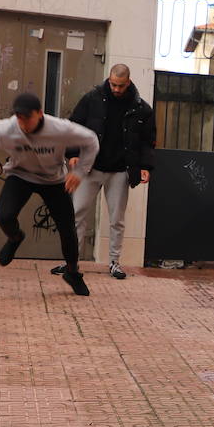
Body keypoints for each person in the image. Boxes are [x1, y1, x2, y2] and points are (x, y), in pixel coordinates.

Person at [0, 92, 99, 296]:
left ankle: (72, 272)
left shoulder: (60, 128)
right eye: (19, 118)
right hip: (20, 175)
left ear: (40, 114)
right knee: (4, 216)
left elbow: (91, 141)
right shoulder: (7, 128)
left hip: (53, 180)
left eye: (27, 117)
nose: (23, 123)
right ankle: (15, 238)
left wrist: (80, 173)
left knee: (67, 227)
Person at [55, 64, 156, 280]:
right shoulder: (92, 99)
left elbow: (147, 141)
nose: (117, 89)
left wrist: (145, 166)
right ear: (108, 80)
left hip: (120, 170)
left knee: (116, 220)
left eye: (120, 85)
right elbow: (74, 125)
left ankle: (114, 263)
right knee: (77, 214)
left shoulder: (142, 109)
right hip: (89, 167)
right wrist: (72, 152)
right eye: (113, 84)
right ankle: (70, 262)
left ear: (128, 82)